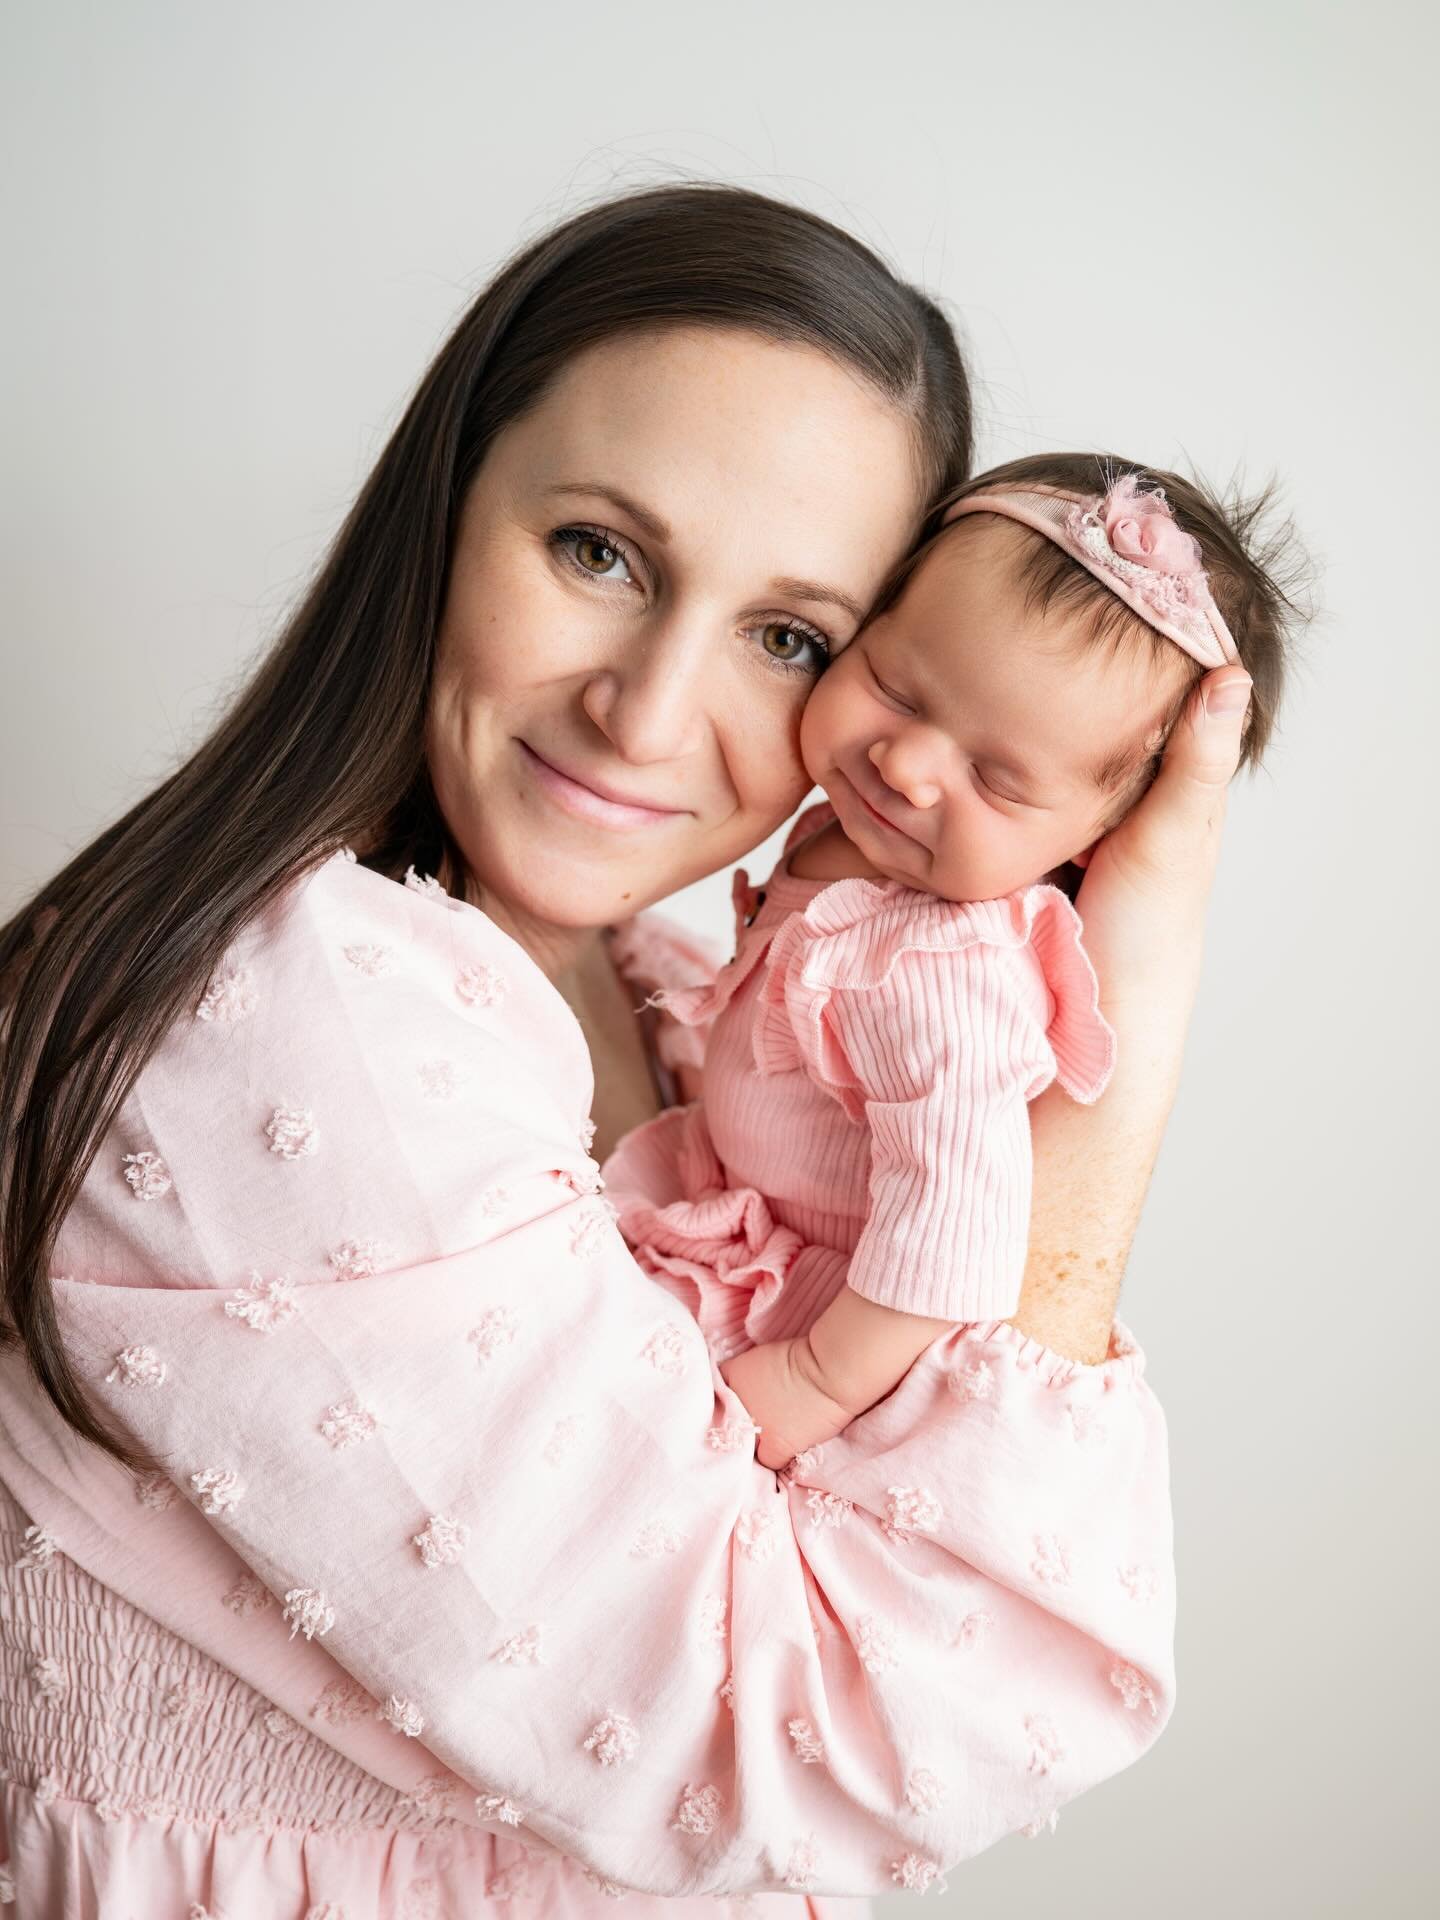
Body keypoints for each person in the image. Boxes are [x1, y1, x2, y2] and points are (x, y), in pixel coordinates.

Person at [0, 185, 1256, 1918]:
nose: (651, 711)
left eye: (790, 637)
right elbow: (839, 1743)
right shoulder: (299, 1015)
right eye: (599, 551)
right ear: (444, 513)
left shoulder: (685, 1013)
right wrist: (1137, 1020)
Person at [608, 456, 1299, 1469]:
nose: (908, 764)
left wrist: (814, 1378)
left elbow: (956, 1237)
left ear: (1096, 838)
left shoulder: (937, 966)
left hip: (829, 1329)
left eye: (997, 776)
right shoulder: (860, 847)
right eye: (895, 685)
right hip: (750, 1215)